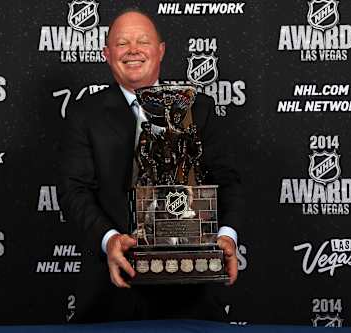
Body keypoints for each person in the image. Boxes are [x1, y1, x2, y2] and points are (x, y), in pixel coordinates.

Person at [60, 8, 244, 322]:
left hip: (191, 282)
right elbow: (73, 190)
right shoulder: (84, 114)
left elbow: (229, 181)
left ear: (160, 50)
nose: (133, 50)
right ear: (107, 54)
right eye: (122, 43)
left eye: (142, 41)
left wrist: (226, 236)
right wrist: (110, 240)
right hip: (113, 285)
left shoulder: (198, 109)